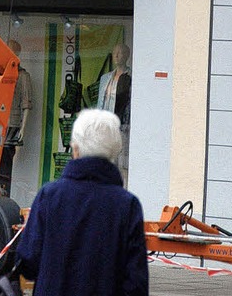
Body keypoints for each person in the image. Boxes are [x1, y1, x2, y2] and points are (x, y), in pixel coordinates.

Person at [16, 109, 148, 296]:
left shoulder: (50, 196)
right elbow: (136, 282)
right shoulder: (127, 205)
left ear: (75, 149)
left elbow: (28, 261)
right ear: (114, 151)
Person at [0, 39, 32, 197]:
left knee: (6, 162)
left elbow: (26, 104)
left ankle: (5, 195)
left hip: (12, 125)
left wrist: (22, 131)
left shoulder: (23, 76)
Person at [97, 43, 132, 184]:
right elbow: (100, 102)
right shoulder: (106, 78)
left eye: (121, 52)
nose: (117, 55)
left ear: (127, 56)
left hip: (122, 126)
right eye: (114, 52)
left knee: (122, 162)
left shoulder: (131, 77)